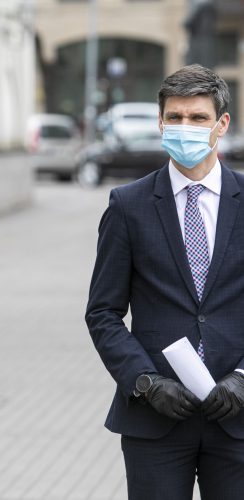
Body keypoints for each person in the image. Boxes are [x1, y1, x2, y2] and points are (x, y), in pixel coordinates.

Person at [85, 64, 244, 500]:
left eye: (197, 118)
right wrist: (144, 381)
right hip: (155, 420)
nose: (185, 127)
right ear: (160, 123)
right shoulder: (128, 205)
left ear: (222, 124)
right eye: (174, 118)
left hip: (238, 421)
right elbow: (102, 312)